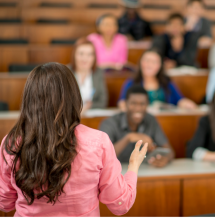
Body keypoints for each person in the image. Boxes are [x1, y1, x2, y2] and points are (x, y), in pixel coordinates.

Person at [0, 63, 147, 216]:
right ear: (74, 97)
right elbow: (120, 205)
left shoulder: (11, 144)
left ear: (29, 100)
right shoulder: (99, 142)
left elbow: (5, 203)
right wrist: (133, 165)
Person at [100, 85, 175, 168]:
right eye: (133, 103)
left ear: (147, 105)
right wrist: (128, 137)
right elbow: (103, 156)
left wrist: (165, 159)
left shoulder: (151, 120)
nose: (138, 108)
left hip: (143, 171)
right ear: (125, 104)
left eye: (142, 104)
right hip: (116, 172)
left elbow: (170, 151)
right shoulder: (109, 123)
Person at [118, 49, 197, 111]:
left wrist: (186, 104)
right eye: (147, 60)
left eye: (154, 62)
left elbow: (180, 100)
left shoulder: (166, 83)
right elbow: (122, 103)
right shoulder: (131, 82)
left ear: (160, 66)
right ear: (140, 62)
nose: (149, 65)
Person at [70, 38, 108, 115]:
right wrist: (78, 109)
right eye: (81, 54)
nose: (85, 59)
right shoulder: (66, 72)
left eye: (90, 54)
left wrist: (87, 107)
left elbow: (103, 101)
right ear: (74, 55)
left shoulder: (98, 72)